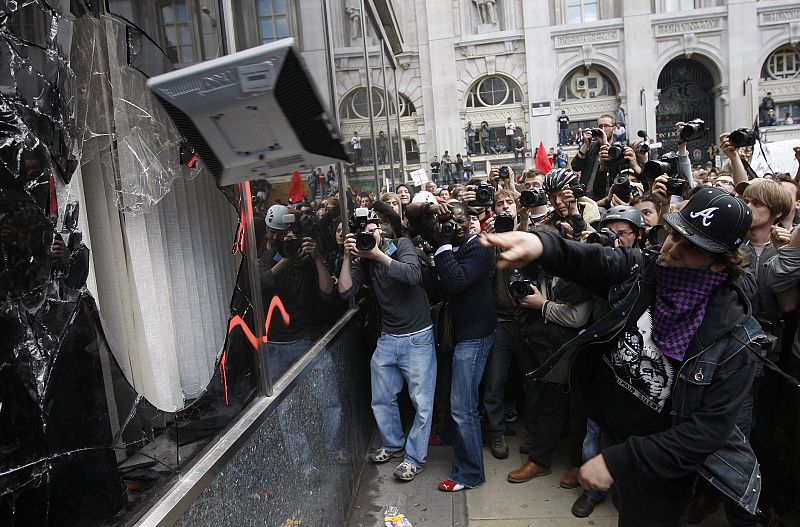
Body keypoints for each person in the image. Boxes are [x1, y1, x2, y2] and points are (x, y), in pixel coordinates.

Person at [482, 187, 764, 526]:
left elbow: (706, 432)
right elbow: (596, 261)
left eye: (692, 248)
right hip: (613, 437)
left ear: (719, 265)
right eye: (675, 235)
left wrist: (620, 460)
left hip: (659, 469)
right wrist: (543, 245)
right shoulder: (645, 271)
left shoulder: (736, 337)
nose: (673, 250)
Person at [338, 209, 436, 482]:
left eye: (374, 230)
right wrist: (349, 255)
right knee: (381, 397)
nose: (369, 236)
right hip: (388, 338)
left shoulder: (401, 245)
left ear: (383, 231)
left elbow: (412, 276)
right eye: (364, 233)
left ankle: (414, 458)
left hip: (418, 337)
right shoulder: (363, 257)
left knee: (422, 402)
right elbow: (345, 291)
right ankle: (393, 445)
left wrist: (377, 255)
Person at [406, 198, 496, 492]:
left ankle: (469, 473)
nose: (453, 225)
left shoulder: (480, 246)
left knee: (462, 406)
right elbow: (410, 215)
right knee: (450, 395)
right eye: (449, 220)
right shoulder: (444, 233)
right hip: (454, 334)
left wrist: (442, 245)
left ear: (471, 220)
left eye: (460, 220)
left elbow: (456, 280)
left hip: (474, 336)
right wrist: (429, 209)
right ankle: (450, 435)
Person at [572, 114, 615, 200]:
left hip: (605, 197)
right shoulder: (590, 148)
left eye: (606, 126)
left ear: (613, 128)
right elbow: (576, 167)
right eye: (600, 126)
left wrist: (605, 143)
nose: (603, 129)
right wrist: (585, 144)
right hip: (585, 196)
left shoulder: (616, 150)